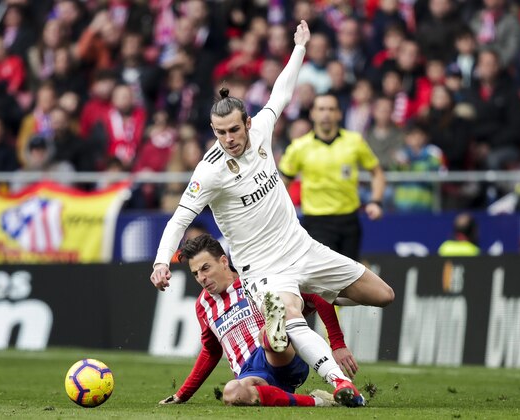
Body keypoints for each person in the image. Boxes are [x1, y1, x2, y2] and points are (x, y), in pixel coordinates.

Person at [150, 20, 394, 408]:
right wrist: (162, 261)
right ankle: (339, 383)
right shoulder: (209, 171)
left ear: (246, 123)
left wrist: (299, 48)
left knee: (383, 295)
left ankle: (314, 296)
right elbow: (178, 219)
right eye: (220, 133)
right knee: (289, 314)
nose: (228, 139)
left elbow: (281, 91)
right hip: (263, 269)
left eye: (233, 130)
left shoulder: (261, 130)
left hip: (302, 247)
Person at [159, 234, 357, 407]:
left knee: (269, 338)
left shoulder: (256, 279)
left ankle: (275, 332)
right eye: (196, 274)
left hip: (280, 357)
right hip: (250, 373)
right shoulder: (203, 305)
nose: (201, 277)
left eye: (206, 268)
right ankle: (320, 401)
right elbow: (211, 351)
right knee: (232, 393)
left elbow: (317, 296)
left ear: (223, 262)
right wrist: (182, 394)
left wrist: (337, 343)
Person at [279, 92, 386, 261]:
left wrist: (376, 201)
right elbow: (283, 183)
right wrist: (281, 214)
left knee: (350, 281)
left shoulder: (355, 141)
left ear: (339, 114)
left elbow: (377, 172)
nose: (326, 114)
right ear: (313, 113)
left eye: (331, 109)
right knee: (326, 279)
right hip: (316, 222)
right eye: (321, 109)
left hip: (349, 220)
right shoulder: (299, 147)